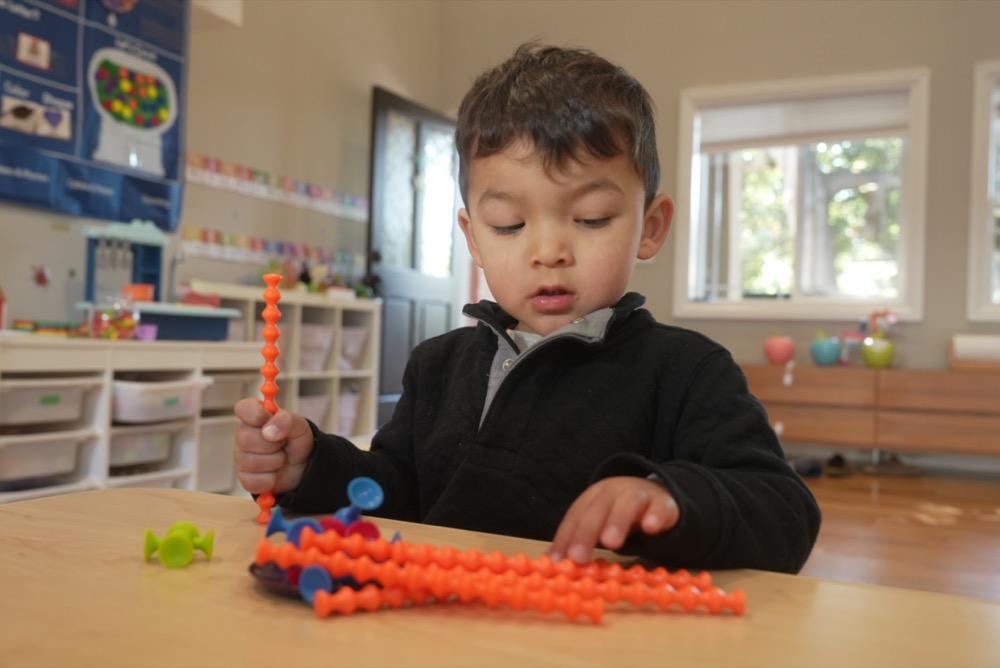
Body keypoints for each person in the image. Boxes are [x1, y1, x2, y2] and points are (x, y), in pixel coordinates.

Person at [234, 42, 821, 573]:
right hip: (434, 625)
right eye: (509, 224)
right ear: (473, 237)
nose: (548, 252)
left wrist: (669, 497)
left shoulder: (687, 371)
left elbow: (784, 514)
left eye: (591, 218)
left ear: (650, 227)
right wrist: (310, 468)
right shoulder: (436, 366)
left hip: (592, 634)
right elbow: (395, 493)